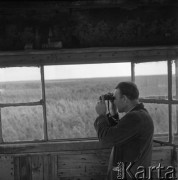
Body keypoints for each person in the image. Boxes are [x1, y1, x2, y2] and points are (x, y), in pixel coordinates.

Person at [94, 81, 154, 180]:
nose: (114, 101)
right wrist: (113, 113)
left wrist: (101, 116)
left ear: (125, 99)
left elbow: (106, 140)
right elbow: (118, 135)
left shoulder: (135, 117)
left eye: (115, 98)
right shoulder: (140, 114)